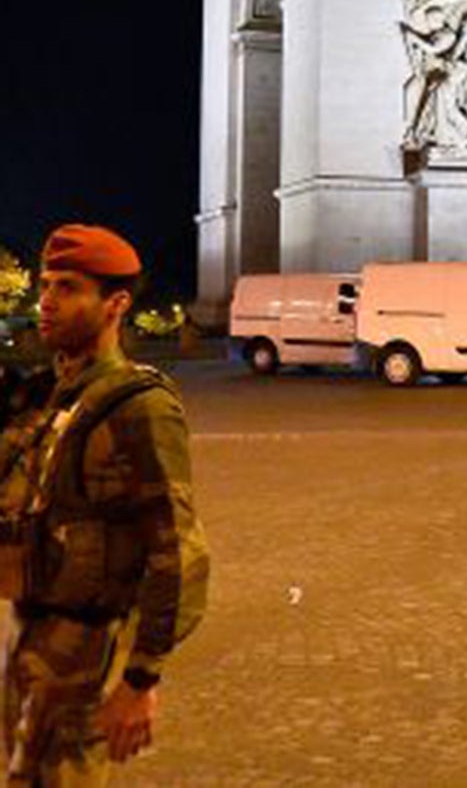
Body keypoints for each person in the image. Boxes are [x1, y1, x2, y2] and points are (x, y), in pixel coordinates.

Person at [0, 225, 209, 785]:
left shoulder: (139, 407)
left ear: (115, 304)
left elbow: (177, 552)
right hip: (27, 637)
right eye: (45, 285)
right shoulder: (46, 394)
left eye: (68, 287)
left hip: (88, 651)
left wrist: (141, 680)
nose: (46, 300)